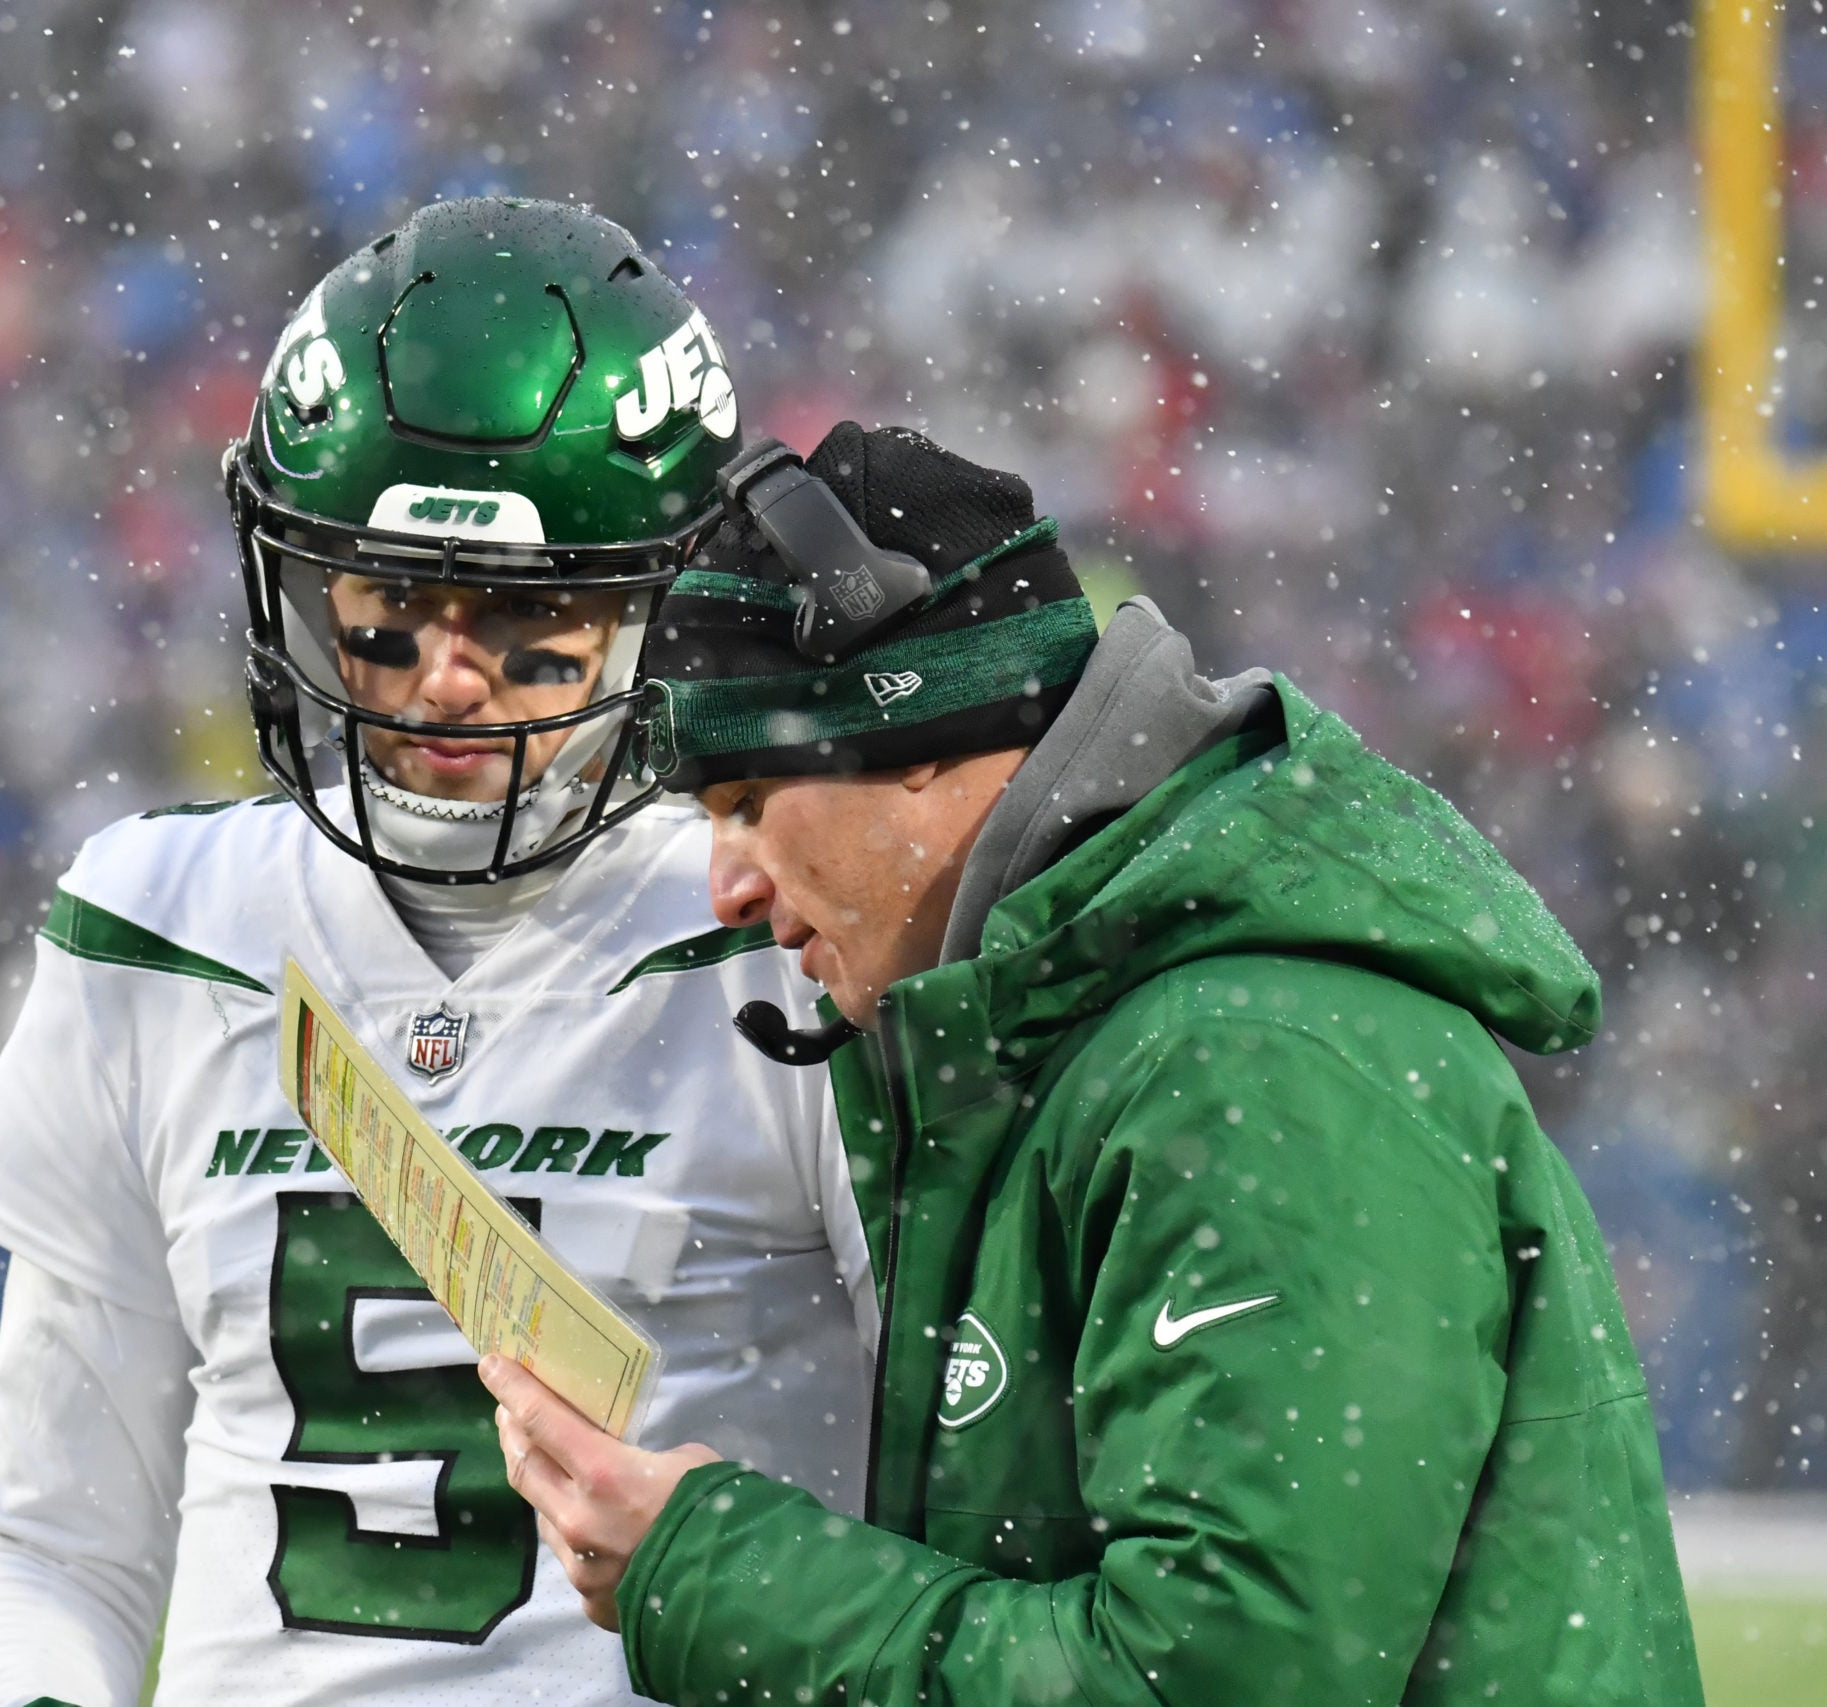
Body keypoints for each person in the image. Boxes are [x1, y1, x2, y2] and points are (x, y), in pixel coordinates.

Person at [484, 422, 1706, 1705]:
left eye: (744, 804)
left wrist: (721, 1572)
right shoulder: (1090, 1042)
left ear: (927, 741)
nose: (725, 887)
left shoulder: (1255, 1070)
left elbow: (1217, 1682)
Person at [0, 200, 874, 1707]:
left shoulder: (782, 921)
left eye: (522, 621)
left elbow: (962, 1525)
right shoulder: (163, 920)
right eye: (387, 611)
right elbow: (46, 1540)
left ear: (665, 608)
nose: (443, 679)